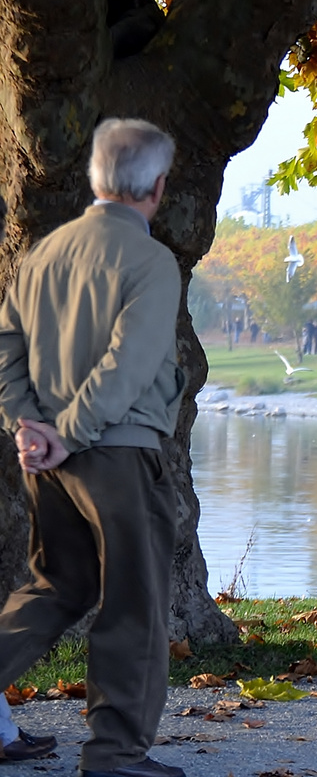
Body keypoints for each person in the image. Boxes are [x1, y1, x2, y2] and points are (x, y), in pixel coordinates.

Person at [0, 118, 187, 777]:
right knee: (132, 604)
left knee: (57, 587)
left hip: (48, 461)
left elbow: (7, 349)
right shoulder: (151, 262)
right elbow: (127, 364)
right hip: (118, 452)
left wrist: (30, 427)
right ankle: (114, 757)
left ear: (97, 178)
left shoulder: (41, 254)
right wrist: (68, 432)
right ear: (158, 187)